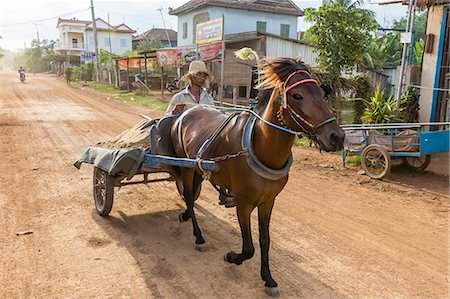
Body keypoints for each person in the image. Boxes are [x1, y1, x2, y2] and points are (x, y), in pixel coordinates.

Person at [165, 61, 235, 208]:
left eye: (204, 75)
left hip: (205, 139)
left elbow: (215, 120)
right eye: (198, 74)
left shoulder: (208, 98)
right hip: (185, 139)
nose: (202, 78)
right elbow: (165, 120)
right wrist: (174, 113)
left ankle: (225, 191)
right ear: (191, 77)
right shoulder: (179, 97)